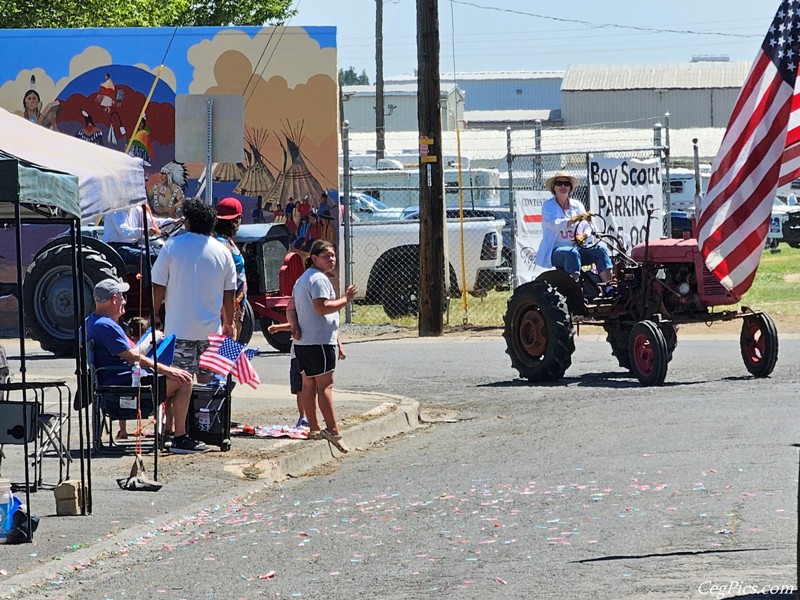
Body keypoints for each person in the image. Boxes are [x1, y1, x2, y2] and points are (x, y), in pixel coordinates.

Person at [151, 198, 237, 454]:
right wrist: (229, 323)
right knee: (206, 385)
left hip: (179, 329)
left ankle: (174, 430)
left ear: (187, 221)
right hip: (212, 332)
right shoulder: (223, 252)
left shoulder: (172, 246)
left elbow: (158, 284)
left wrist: (154, 314)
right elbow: (229, 293)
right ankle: (203, 429)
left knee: (179, 382)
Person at [85, 279, 193, 445]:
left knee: (175, 376)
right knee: (184, 380)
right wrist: (168, 370)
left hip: (110, 380)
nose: (124, 301)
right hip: (125, 384)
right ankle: (180, 437)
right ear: (114, 300)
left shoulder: (89, 323)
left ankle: (169, 430)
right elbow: (132, 356)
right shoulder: (106, 326)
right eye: (122, 297)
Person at [290, 240, 357, 453]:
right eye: (327, 255)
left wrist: (295, 327)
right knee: (324, 386)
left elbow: (291, 308)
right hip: (318, 342)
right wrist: (346, 299)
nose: (332, 259)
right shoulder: (318, 278)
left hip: (304, 342)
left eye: (333, 255)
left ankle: (314, 428)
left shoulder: (302, 279)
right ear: (314, 258)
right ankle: (333, 431)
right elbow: (321, 307)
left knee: (308, 385)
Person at [535, 171, 613, 290]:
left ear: (570, 187)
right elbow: (555, 224)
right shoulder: (548, 206)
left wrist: (584, 236)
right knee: (571, 253)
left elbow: (588, 226)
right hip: (555, 251)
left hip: (579, 248)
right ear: (553, 187)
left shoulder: (577, 205)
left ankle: (609, 288)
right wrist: (574, 219)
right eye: (559, 183)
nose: (563, 186)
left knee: (600, 249)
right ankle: (575, 290)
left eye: (566, 183)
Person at [102, 204, 178, 278]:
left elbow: (153, 222)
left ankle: (160, 283)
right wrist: (145, 231)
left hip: (132, 246)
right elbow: (124, 231)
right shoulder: (114, 210)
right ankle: (149, 288)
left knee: (159, 253)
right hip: (115, 248)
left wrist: (173, 222)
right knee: (145, 256)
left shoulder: (137, 209)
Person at [214, 197, 247, 339]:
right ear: (237, 219)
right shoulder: (223, 246)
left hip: (232, 306)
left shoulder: (221, 242)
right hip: (228, 309)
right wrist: (229, 318)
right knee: (226, 353)